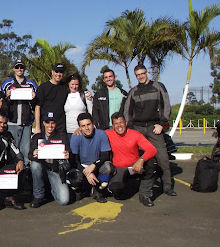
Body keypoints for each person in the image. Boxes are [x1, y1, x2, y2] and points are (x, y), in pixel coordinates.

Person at [124, 64, 176, 196]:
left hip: (154, 128)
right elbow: (127, 111)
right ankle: (139, 185)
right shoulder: (133, 91)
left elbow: (167, 106)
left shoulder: (158, 87)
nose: (141, 76)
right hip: (138, 129)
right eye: (138, 74)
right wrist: (130, 129)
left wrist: (161, 124)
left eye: (142, 73)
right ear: (135, 76)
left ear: (147, 73)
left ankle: (168, 187)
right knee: (138, 158)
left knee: (162, 158)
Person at [106, 113, 157, 207]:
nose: (119, 125)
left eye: (121, 122)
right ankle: (122, 186)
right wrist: (79, 129)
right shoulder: (108, 134)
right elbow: (93, 133)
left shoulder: (135, 134)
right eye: (116, 123)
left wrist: (141, 159)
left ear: (126, 123)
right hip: (119, 169)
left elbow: (152, 149)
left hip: (135, 167)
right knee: (116, 190)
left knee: (151, 162)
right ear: (113, 126)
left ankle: (145, 195)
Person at [29, 112, 71, 208]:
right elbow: (29, 155)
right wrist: (33, 154)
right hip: (42, 169)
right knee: (34, 165)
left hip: (55, 170)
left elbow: (69, 153)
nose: (50, 126)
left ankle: (50, 189)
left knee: (64, 200)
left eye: (53, 123)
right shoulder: (37, 137)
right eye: (48, 123)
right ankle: (38, 196)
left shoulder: (62, 136)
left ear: (56, 124)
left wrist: (68, 154)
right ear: (43, 123)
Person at [70, 113, 113, 203]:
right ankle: (79, 190)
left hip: (96, 165)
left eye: (88, 124)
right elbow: (74, 160)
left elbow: (105, 156)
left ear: (93, 124)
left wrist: (94, 165)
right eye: (83, 126)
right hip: (82, 167)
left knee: (108, 167)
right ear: (80, 127)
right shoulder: (75, 138)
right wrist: (87, 173)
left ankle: (97, 190)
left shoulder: (101, 134)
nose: (87, 128)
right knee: (72, 175)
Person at [1, 59, 37, 166]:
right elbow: (0, 102)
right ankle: (12, 175)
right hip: (12, 122)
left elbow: (36, 104)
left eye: (21, 67)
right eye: (17, 67)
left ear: (24, 69)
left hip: (26, 123)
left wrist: (34, 98)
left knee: (25, 152)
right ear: (14, 69)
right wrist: (6, 97)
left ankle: (24, 178)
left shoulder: (31, 84)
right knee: (13, 152)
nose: (19, 69)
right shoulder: (8, 84)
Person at [34, 63, 68, 134]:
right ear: (52, 72)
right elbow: (37, 107)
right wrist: (37, 127)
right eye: (56, 71)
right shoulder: (43, 87)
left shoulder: (65, 87)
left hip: (60, 126)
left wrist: (87, 94)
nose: (58, 74)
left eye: (61, 72)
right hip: (46, 126)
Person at [64, 73, 92, 139]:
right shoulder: (64, 96)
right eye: (72, 84)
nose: (74, 87)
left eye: (76, 84)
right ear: (68, 84)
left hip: (82, 131)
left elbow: (91, 112)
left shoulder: (85, 95)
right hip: (67, 132)